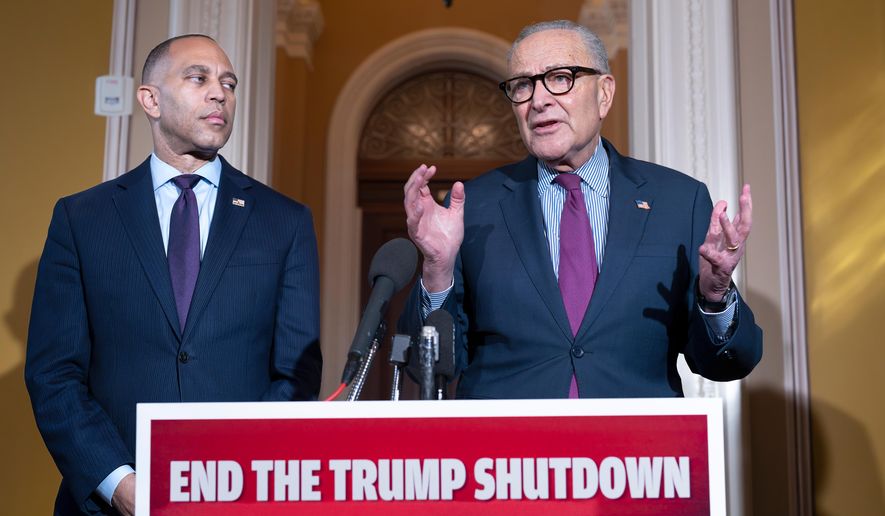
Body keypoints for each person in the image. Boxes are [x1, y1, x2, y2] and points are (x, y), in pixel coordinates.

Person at [25, 34, 322, 515]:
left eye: (228, 82)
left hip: (238, 497)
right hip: (112, 502)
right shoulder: (82, 219)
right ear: (150, 99)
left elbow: (296, 374)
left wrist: (236, 479)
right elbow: (54, 374)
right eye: (198, 77)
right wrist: (120, 484)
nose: (219, 93)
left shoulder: (283, 221)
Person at [401, 20, 762, 400]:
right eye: (523, 85)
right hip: (509, 452)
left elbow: (727, 364)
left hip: (636, 452)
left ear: (604, 94)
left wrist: (715, 296)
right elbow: (426, 369)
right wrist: (436, 273)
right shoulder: (472, 206)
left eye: (560, 77)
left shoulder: (678, 201)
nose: (538, 100)